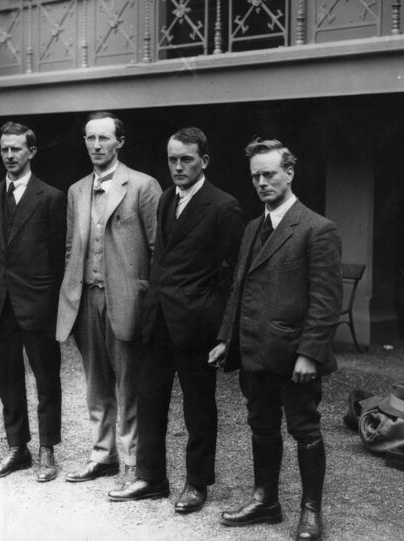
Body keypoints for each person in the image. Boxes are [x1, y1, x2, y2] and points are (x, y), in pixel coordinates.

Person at [208, 138, 342, 540]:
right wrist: (225, 339)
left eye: (269, 174)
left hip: (293, 354)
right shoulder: (253, 227)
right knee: (262, 426)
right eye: (256, 176)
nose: (262, 183)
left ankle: (311, 512)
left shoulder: (317, 228)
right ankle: (266, 500)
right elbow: (239, 288)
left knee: (305, 429)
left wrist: (310, 354)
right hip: (255, 350)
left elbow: (325, 301)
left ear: (290, 173)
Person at [108, 127, 244, 514]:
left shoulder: (223, 207)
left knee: (198, 408)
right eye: (173, 159)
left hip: (196, 325)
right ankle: (151, 478)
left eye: (186, 159)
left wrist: (215, 320)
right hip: (158, 321)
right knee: (150, 400)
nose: (178, 166)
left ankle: (196, 483)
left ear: (204, 161)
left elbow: (236, 273)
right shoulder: (167, 198)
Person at [57, 112, 161, 484]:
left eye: (104, 138)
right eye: (90, 138)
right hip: (86, 298)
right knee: (96, 384)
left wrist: (147, 297)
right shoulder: (76, 190)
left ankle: (133, 460)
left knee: (130, 385)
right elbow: (71, 249)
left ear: (120, 142)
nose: (96, 145)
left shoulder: (143, 185)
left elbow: (158, 248)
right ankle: (103, 455)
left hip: (127, 301)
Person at [0, 121, 66, 482]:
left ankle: (47, 449)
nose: (9, 155)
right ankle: (18, 448)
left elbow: (58, 256)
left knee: (47, 378)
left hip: (37, 303)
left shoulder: (51, 197)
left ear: (31, 152)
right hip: (0, 303)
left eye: (16, 149)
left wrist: (49, 299)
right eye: (4, 149)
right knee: (7, 378)